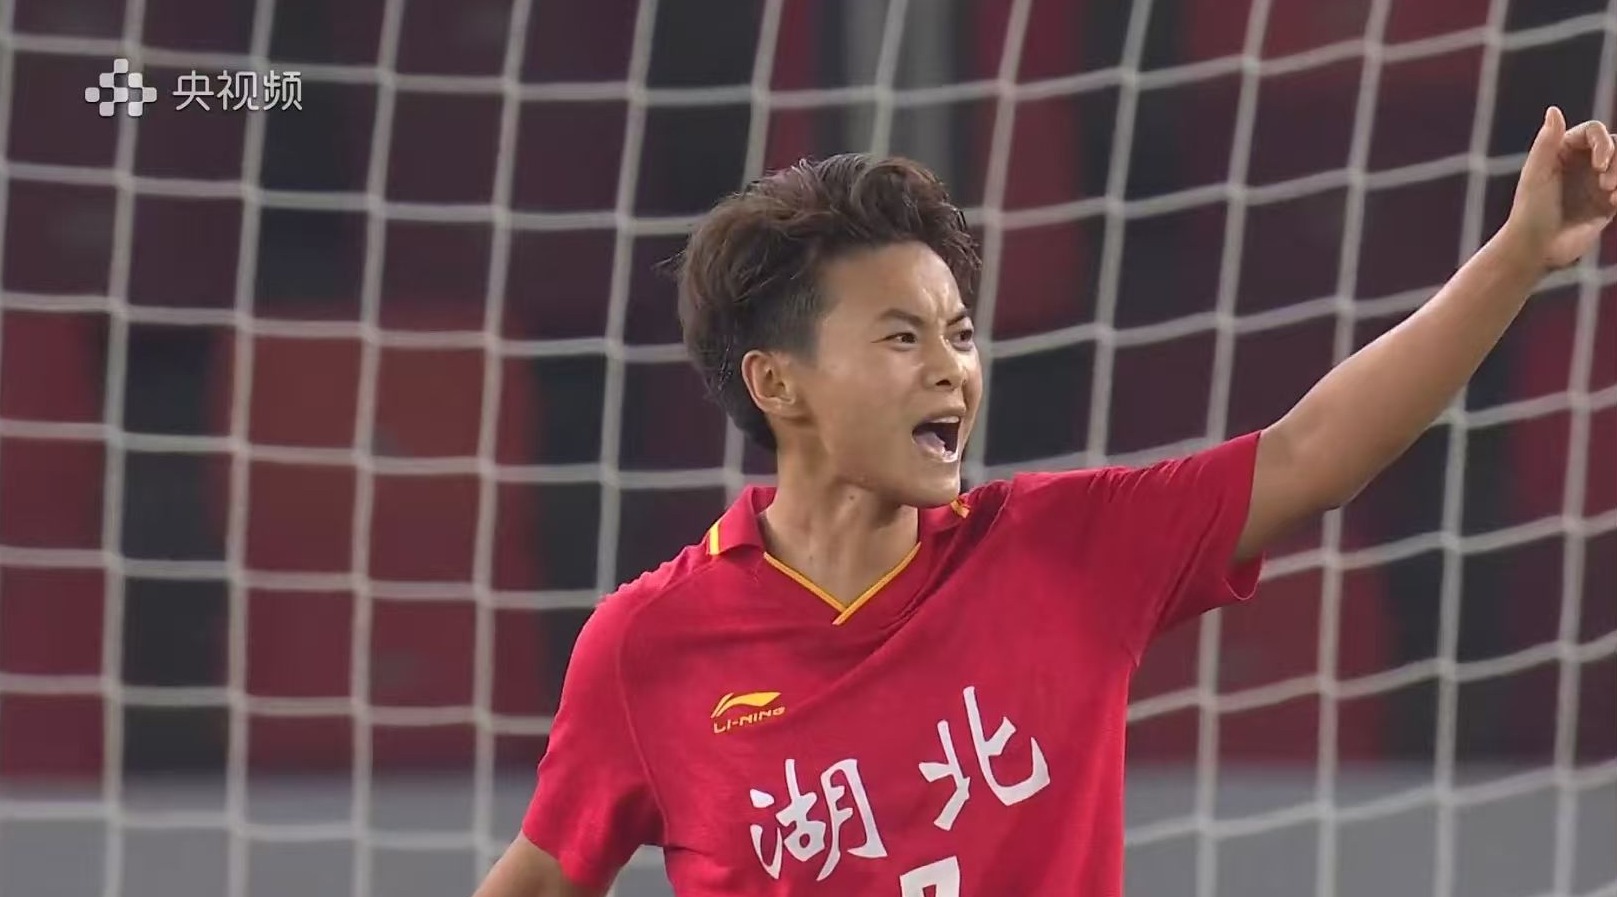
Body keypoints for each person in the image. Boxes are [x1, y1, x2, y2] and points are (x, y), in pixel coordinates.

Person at [473, 107, 1617, 897]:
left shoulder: (1065, 552)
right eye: (903, 338)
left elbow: (1313, 453)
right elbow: (537, 878)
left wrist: (1519, 255)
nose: (951, 371)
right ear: (779, 385)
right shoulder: (647, 648)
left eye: (961, 335)